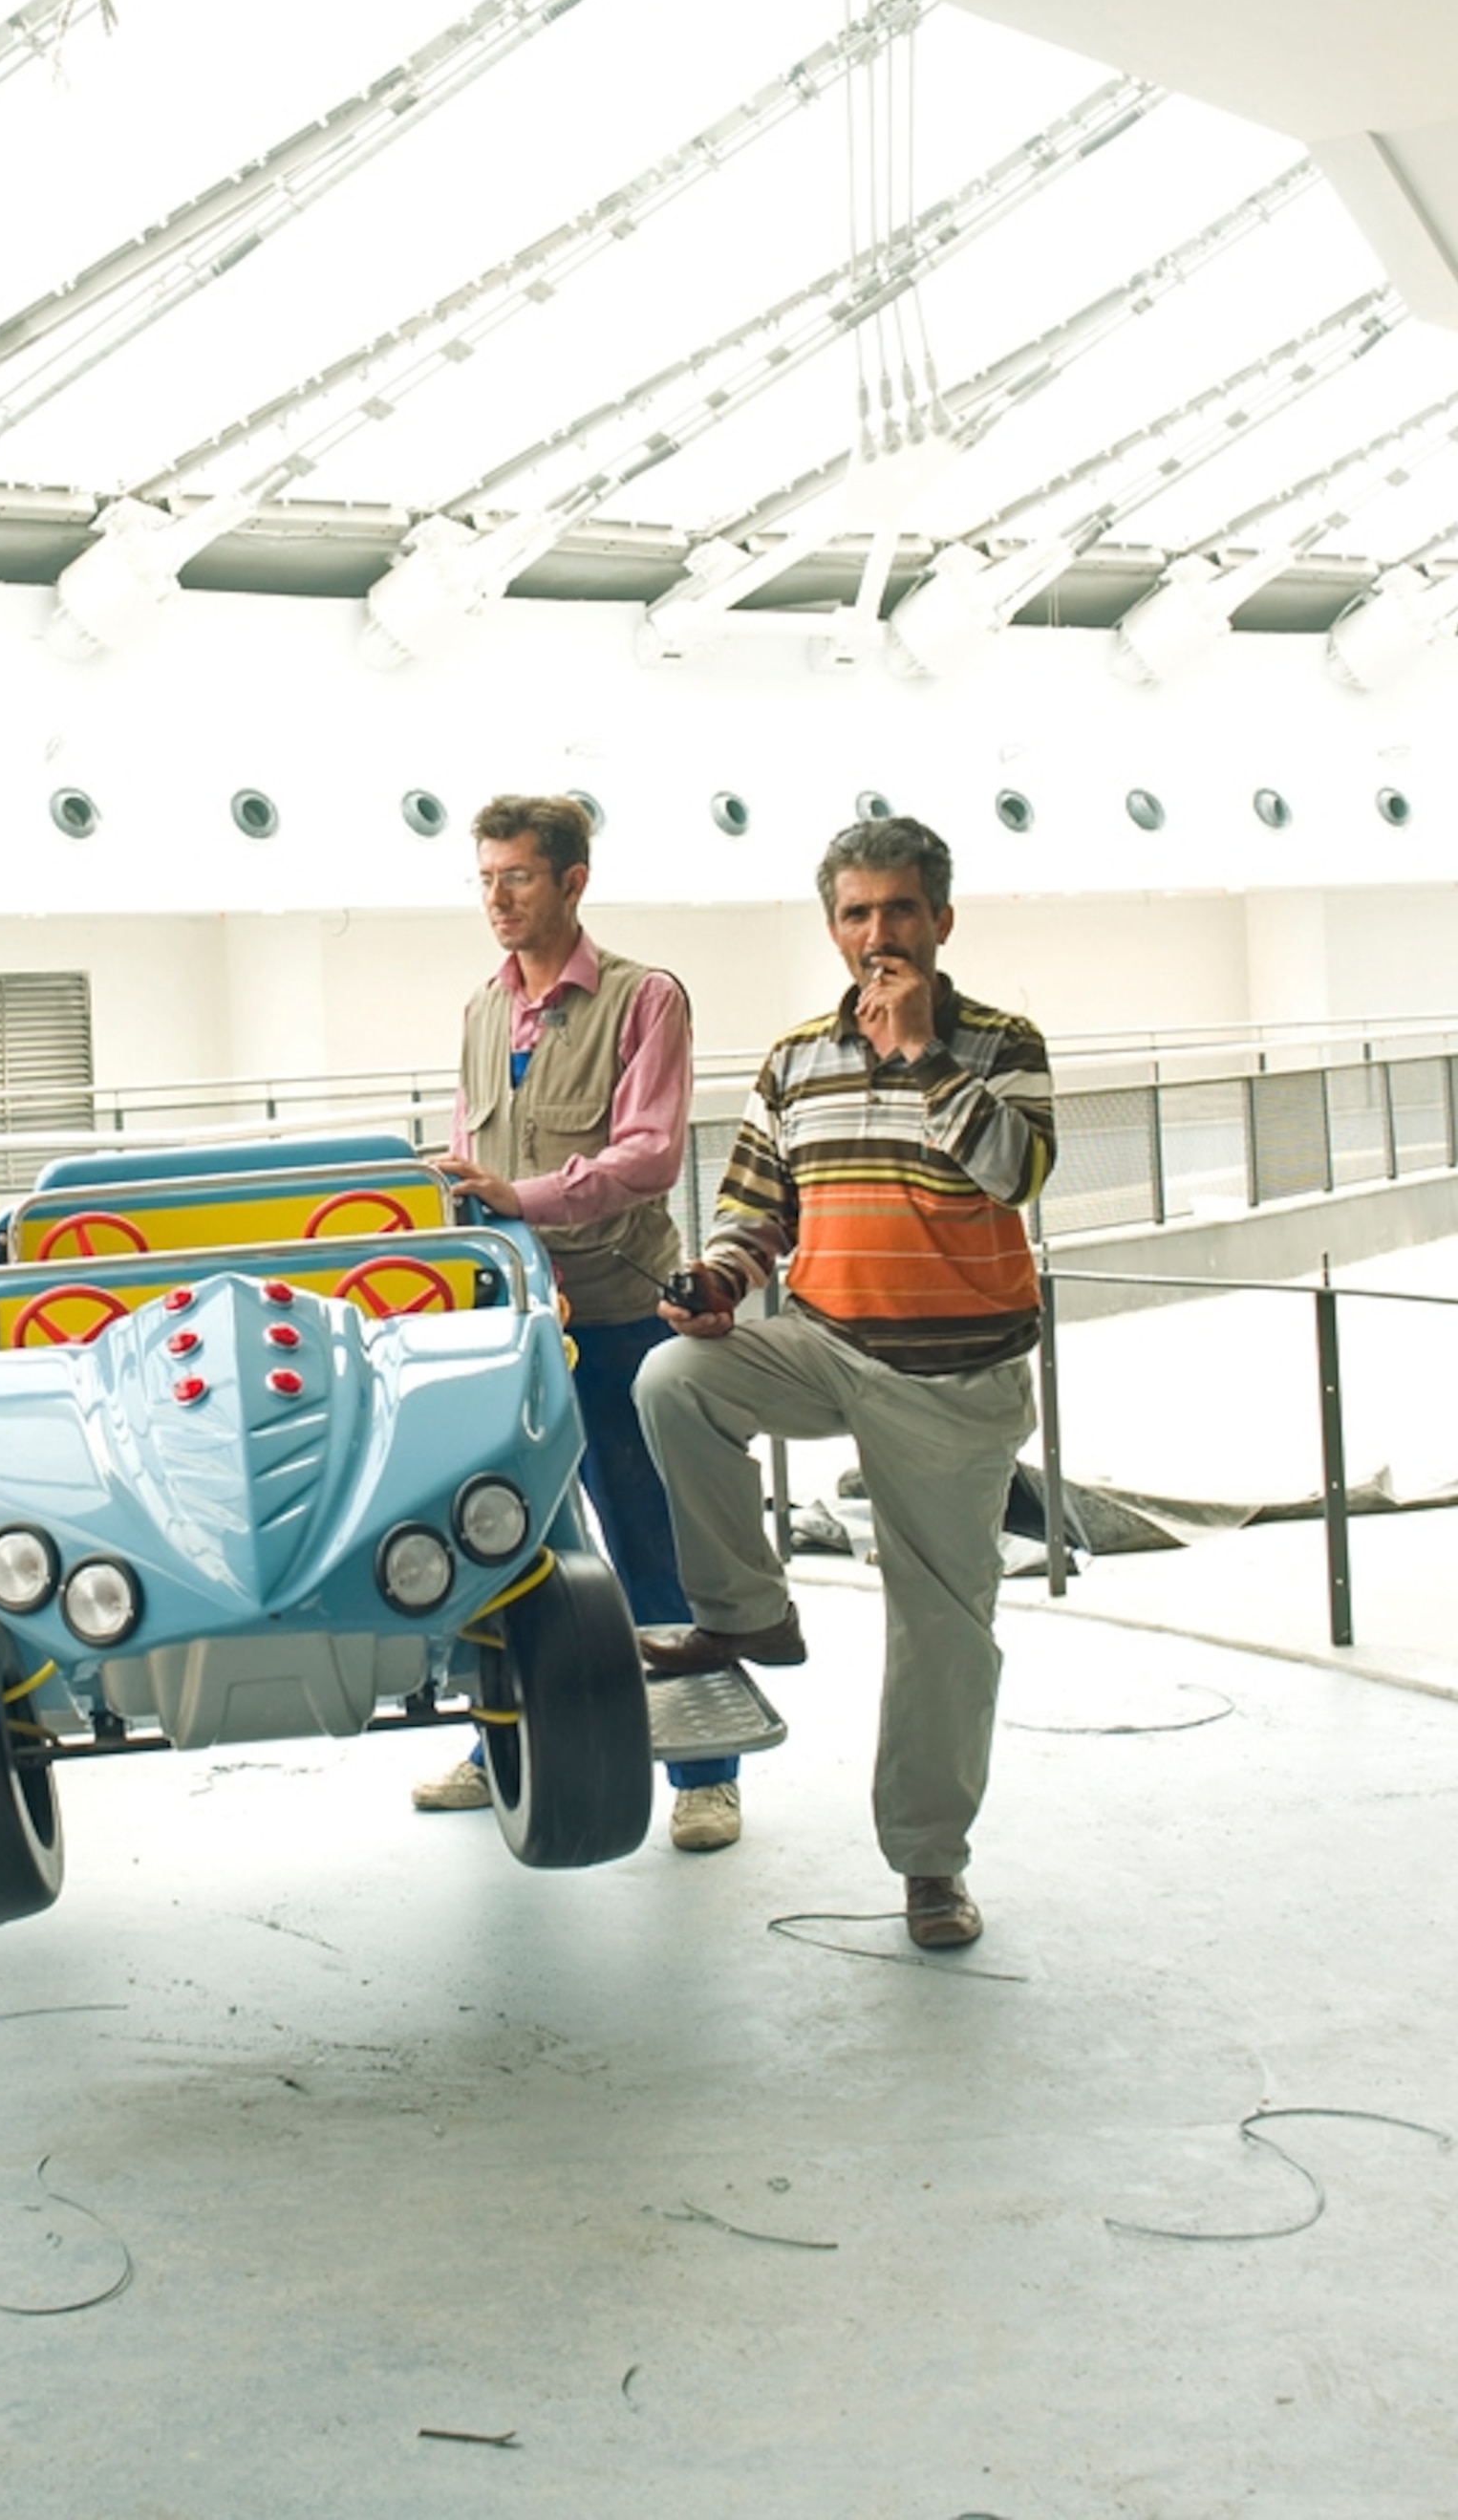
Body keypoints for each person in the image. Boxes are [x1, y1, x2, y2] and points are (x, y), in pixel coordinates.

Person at [633, 814, 1053, 1947]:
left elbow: (1016, 1173)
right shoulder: (792, 1060)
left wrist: (921, 1054)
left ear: (941, 920)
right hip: (828, 1346)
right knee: (674, 1376)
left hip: (954, 1385)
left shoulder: (1003, 1043)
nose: (879, 933)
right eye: (857, 913)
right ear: (833, 926)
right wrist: (721, 1277)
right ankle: (748, 1613)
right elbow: (754, 1205)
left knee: (942, 1633)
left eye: (900, 910)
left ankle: (928, 1865)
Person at [418, 793, 747, 1853]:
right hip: (508, 1328)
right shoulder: (479, 1010)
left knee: (648, 1540)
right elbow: (481, 1149)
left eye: (517, 876)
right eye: (484, 879)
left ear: (572, 881)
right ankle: (499, 1743)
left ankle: (703, 1770)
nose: (498, 899)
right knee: (498, 1539)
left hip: (614, 1317)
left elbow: (650, 1154)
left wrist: (526, 1197)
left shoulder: (645, 998)